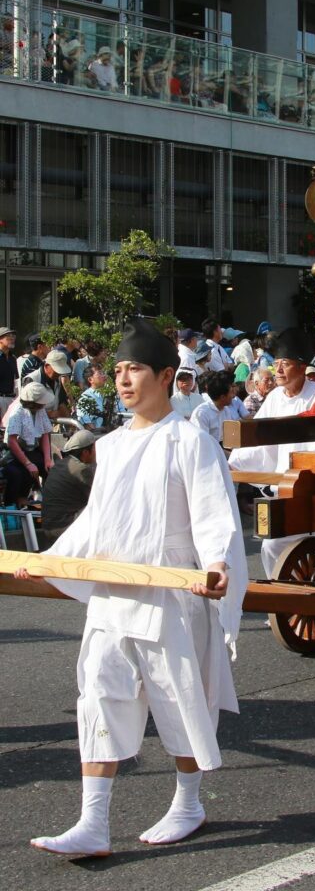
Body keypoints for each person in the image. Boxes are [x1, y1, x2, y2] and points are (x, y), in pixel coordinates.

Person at [18, 317, 247, 856]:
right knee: (98, 695)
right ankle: (92, 821)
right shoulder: (113, 445)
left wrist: (216, 565)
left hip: (173, 590)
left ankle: (189, 803)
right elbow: (96, 523)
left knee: (178, 698)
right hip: (114, 591)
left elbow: (217, 515)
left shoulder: (190, 441)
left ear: (166, 375)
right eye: (118, 370)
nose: (123, 380)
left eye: (135, 369)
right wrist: (48, 561)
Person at [227, 328, 315, 577]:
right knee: (272, 544)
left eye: (285, 364)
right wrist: (236, 463)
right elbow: (260, 438)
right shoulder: (274, 396)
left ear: (302, 366)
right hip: (285, 486)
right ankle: (286, 601)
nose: (279, 370)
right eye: (276, 365)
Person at [2, 381, 53, 506]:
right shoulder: (17, 412)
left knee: (49, 469)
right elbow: (12, 441)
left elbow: (45, 433)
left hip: (32, 450)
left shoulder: (40, 410)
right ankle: (13, 505)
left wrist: (47, 458)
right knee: (18, 474)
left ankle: (49, 501)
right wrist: (28, 464)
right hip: (14, 452)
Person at [41, 429, 97, 543]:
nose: (97, 452)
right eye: (94, 448)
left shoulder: (61, 464)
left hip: (48, 526)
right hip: (63, 527)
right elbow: (99, 496)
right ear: (85, 452)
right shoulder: (82, 470)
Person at [190, 370, 235, 445]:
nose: (233, 396)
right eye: (231, 392)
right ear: (222, 397)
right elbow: (203, 444)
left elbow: (230, 438)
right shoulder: (201, 414)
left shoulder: (226, 410)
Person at [76, 364, 109, 429]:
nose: (104, 376)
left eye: (103, 373)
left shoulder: (111, 394)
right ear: (90, 379)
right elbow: (87, 424)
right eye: (100, 373)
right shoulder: (86, 398)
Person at [0, 325, 18, 416]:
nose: (12, 338)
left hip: (12, 399)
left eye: (13, 336)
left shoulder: (13, 358)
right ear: (0, 340)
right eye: (8, 336)